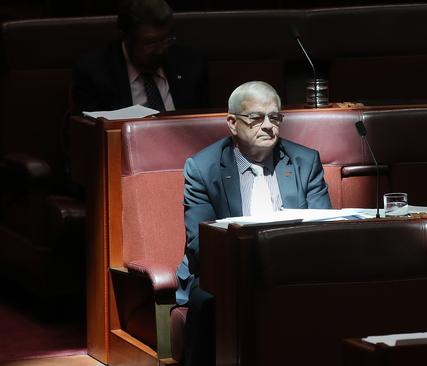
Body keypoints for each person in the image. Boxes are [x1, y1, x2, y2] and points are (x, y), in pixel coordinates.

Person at [176, 80, 331, 366]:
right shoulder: (203, 168)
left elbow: (323, 232)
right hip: (223, 272)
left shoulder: (305, 162)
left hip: (292, 270)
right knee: (208, 303)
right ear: (233, 123)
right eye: (256, 118)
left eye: (275, 117)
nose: (268, 125)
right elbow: (201, 244)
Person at [71, 0, 208, 114]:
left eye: (166, 39)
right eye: (151, 43)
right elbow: (90, 134)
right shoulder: (95, 72)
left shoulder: (190, 64)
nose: (160, 50)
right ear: (126, 37)